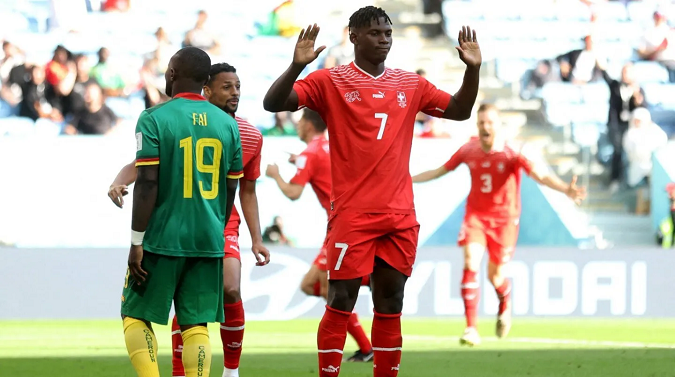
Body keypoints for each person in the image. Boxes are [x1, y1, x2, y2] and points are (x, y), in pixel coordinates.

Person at [262, 6, 482, 376]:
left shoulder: (410, 84)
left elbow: (459, 110)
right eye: (376, 33)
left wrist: (472, 70)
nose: (384, 38)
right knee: (341, 299)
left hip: (399, 215)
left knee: (390, 301)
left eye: (388, 33)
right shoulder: (329, 81)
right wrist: (297, 65)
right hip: (353, 216)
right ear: (354, 36)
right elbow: (273, 103)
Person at [110, 61, 270, 377]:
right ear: (205, 86)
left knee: (136, 313)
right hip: (209, 232)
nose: (235, 92)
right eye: (227, 86)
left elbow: (148, 178)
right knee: (195, 321)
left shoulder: (158, 117)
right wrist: (216, 226)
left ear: (172, 74)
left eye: (238, 86)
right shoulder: (228, 128)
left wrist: (136, 241)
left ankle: (226, 370)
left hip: (165, 233)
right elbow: (231, 187)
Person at [412, 104, 586, 346]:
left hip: (505, 221)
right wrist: (408, 179)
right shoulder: (469, 150)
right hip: (476, 217)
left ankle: (505, 300)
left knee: (496, 277)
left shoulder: (512, 153)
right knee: (471, 262)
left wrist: (565, 189)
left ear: (498, 126)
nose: (485, 127)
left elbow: (541, 176)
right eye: (482, 122)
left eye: (489, 123)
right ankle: (471, 328)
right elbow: (440, 171)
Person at [265, 108, 374, 362]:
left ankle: (367, 346)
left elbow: (293, 193)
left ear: (309, 125)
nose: (298, 125)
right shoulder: (331, 145)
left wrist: (276, 174)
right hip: (348, 222)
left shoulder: (309, 153)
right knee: (309, 285)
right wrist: (300, 160)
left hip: (342, 224)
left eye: (300, 121)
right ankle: (367, 282)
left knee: (329, 286)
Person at [595, 59, 647, 193]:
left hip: (630, 127)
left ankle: (630, 181)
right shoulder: (615, 86)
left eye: (628, 72)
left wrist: (637, 100)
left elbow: (643, 110)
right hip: (616, 125)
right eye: (624, 71)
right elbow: (606, 76)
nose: (625, 74)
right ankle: (615, 180)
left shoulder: (639, 89)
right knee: (617, 150)